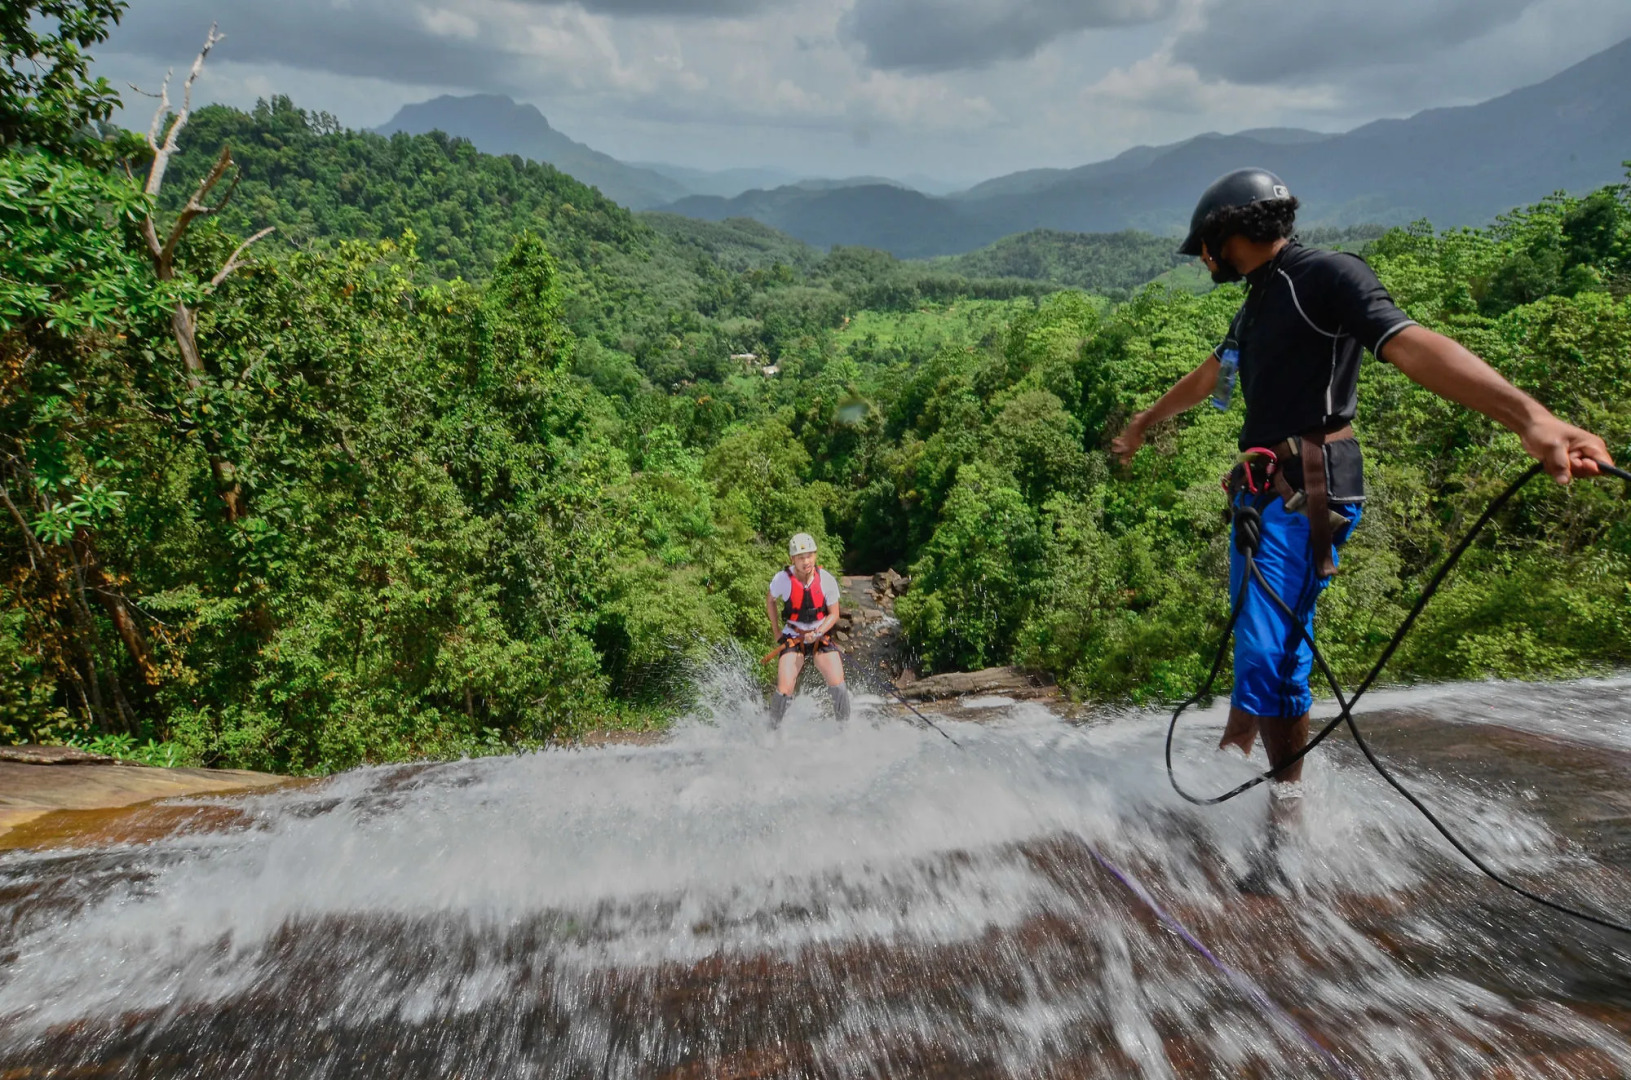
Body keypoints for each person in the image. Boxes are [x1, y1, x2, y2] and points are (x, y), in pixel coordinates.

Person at [1111, 168, 1614, 809]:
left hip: (1306, 489)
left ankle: (1286, 816)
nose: (1208, 259)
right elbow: (1212, 373)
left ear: (1230, 231)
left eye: (1210, 245)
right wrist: (1143, 423)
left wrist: (1531, 419)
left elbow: (1411, 344)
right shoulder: (1262, 296)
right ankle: (1233, 754)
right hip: (1266, 493)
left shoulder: (1323, 276)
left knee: (1272, 650)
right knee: (1258, 630)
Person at [766, 533, 850, 727]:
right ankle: (772, 730)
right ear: (792, 559)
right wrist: (776, 631)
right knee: (784, 689)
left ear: (815, 556)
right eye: (801, 557)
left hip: (820, 636)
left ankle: (844, 729)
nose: (806, 561)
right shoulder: (782, 579)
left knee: (839, 686)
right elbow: (770, 600)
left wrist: (819, 632)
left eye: (810, 556)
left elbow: (834, 614)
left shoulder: (826, 579)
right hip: (794, 637)